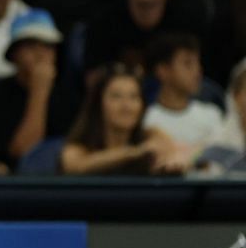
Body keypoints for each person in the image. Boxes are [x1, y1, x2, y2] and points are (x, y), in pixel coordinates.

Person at [0, 9, 81, 168]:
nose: (40, 54)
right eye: (30, 45)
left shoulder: (70, 97)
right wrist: (39, 91)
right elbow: (24, 155)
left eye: (48, 46)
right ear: (14, 54)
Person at [59, 64, 188, 176]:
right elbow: (75, 166)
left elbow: (171, 154)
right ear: (98, 104)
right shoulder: (79, 145)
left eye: (133, 97)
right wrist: (134, 152)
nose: (126, 106)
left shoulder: (151, 134)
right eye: (116, 96)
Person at [141, 32, 226, 152]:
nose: (197, 71)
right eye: (188, 63)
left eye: (198, 62)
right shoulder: (147, 119)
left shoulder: (212, 114)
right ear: (163, 70)